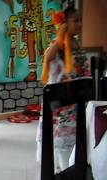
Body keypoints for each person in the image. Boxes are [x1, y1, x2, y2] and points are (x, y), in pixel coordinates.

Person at [36, 6, 91, 173]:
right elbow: (48, 56)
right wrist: (61, 36)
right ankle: (63, 169)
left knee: (72, 138)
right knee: (60, 138)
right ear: (65, 23)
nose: (80, 23)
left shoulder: (76, 43)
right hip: (60, 102)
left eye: (81, 20)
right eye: (76, 20)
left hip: (74, 100)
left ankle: (66, 168)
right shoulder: (58, 44)